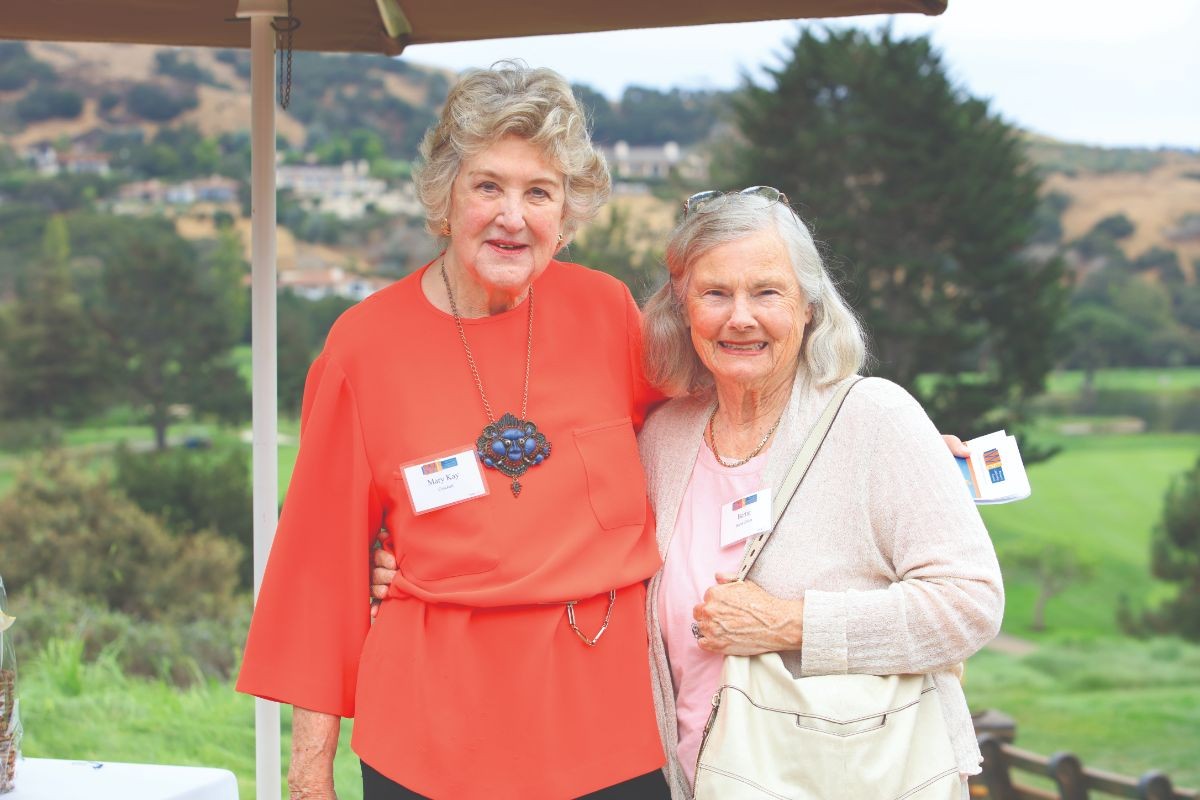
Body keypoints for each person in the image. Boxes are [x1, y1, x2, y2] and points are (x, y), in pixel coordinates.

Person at [236, 62, 671, 799]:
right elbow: (321, 573)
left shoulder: (608, 313)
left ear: (567, 213)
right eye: (489, 186)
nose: (514, 216)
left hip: (610, 729)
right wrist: (310, 775)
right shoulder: (362, 347)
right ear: (444, 197)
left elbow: (714, 439)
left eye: (540, 192)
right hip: (430, 741)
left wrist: (892, 439)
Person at [635, 188, 1004, 799]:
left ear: (809, 306)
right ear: (682, 307)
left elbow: (970, 605)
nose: (740, 317)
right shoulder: (665, 438)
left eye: (767, 291)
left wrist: (790, 623)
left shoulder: (874, 416)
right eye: (716, 293)